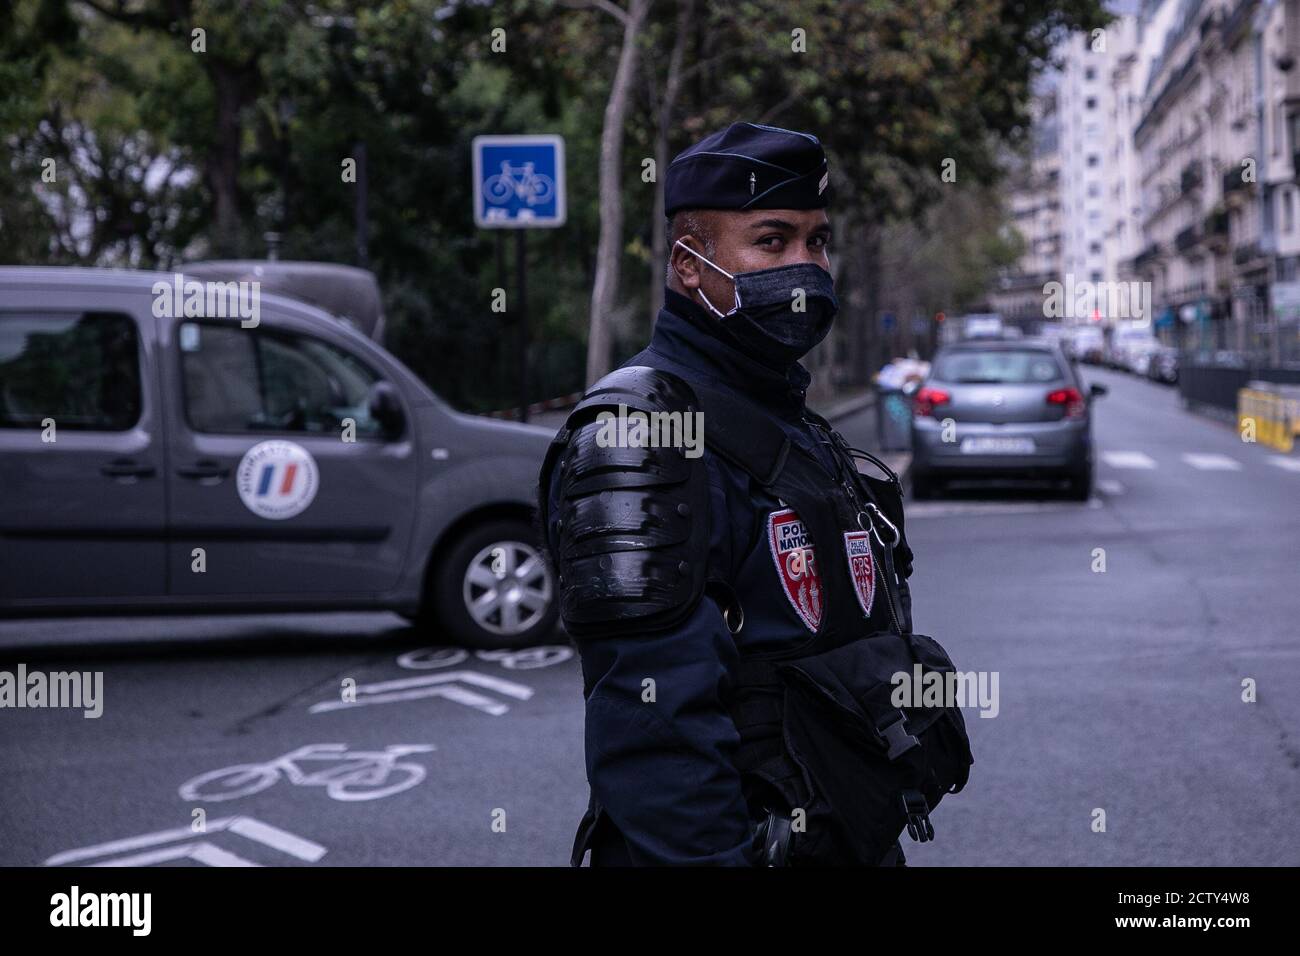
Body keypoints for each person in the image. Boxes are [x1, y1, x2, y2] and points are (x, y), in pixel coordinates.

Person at [538, 122, 970, 866]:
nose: (806, 267)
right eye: (772, 242)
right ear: (688, 265)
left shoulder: (794, 423)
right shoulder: (641, 439)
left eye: (817, 241)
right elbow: (657, 744)